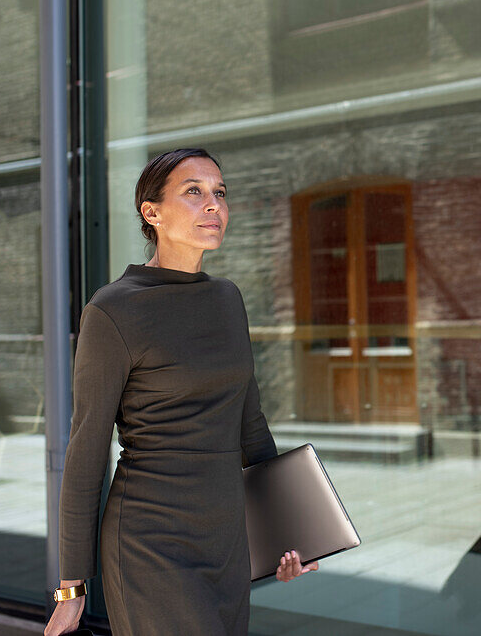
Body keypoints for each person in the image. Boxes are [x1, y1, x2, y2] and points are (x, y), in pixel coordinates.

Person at [45, 149, 317, 636]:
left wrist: (287, 532)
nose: (213, 204)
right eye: (193, 191)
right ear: (152, 213)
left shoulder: (227, 299)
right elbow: (86, 450)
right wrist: (71, 588)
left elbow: (250, 425)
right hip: (152, 544)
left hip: (226, 543)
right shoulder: (112, 310)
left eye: (219, 193)